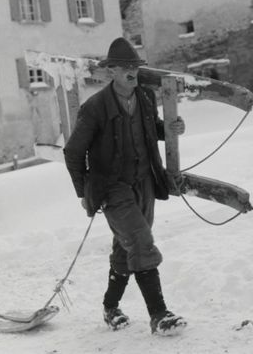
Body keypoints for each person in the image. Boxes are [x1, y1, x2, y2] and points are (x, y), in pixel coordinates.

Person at [63, 37, 187, 336]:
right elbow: (73, 152)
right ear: (112, 71)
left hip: (144, 182)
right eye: (125, 67)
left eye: (135, 66)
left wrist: (171, 128)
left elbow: (151, 129)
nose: (132, 72)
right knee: (141, 242)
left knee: (126, 245)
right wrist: (84, 192)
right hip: (112, 187)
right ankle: (159, 315)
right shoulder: (94, 108)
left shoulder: (144, 97)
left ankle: (110, 308)